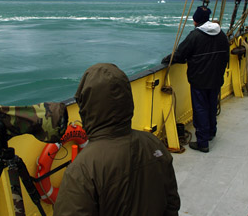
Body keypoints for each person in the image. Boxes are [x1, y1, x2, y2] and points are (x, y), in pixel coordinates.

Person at [53, 63, 180, 216]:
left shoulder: (83, 169)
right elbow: (172, 203)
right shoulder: (153, 143)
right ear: (128, 99)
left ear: (87, 107)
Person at [162, 6, 230, 153]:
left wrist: (168, 59)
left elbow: (180, 54)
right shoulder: (221, 34)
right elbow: (226, 55)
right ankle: (211, 132)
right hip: (216, 78)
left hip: (199, 80)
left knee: (200, 109)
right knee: (212, 106)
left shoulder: (195, 36)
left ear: (195, 20)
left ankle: (202, 142)